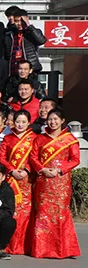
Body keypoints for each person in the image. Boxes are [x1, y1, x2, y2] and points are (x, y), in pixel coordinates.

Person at [26, 109, 81, 259]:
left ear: (62, 120)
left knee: (60, 214)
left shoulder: (69, 139)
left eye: (56, 119)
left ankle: (63, 250)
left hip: (61, 182)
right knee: (43, 213)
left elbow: (75, 160)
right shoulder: (40, 138)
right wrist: (43, 169)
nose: (52, 122)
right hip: (43, 181)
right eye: (50, 119)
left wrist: (59, 170)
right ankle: (42, 249)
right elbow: (33, 157)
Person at [0, 110, 36, 255]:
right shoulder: (8, 138)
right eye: (17, 121)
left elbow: (35, 158)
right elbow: (1, 157)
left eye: (23, 122)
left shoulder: (34, 138)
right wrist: (12, 170)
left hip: (27, 180)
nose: (20, 125)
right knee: (10, 211)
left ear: (29, 123)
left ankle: (24, 245)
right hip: (11, 179)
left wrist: (26, 170)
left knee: (26, 213)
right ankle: (8, 244)